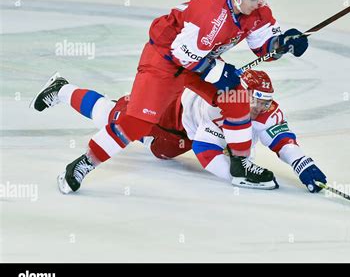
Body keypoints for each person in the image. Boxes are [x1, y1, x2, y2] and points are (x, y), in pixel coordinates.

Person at [31, 0, 309, 193]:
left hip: (199, 58)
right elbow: (183, 56)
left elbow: (264, 47)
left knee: (235, 98)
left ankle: (240, 164)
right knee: (138, 122)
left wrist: (282, 42)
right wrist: (218, 72)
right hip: (164, 60)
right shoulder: (210, 16)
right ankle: (84, 162)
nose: (260, 2)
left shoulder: (255, 11)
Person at [30, 69, 327, 193]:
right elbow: (205, 150)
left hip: (187, 129)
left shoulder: (260, 108)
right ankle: (63, 89)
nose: (261, 109)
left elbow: (281, 139)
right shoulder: (223, 107)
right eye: (256, 101)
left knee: (162, 151)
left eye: (264, 102)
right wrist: (238, 177)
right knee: (116, 117)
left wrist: (304, 166)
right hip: (170, 112)